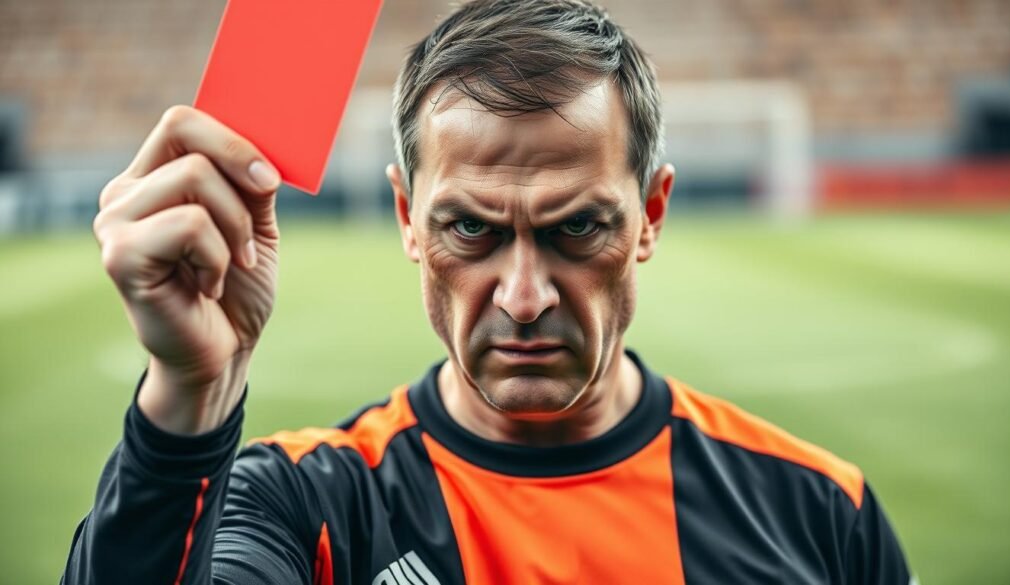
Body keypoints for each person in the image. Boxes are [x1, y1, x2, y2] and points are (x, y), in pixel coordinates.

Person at [62, 0, 913, 583]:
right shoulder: (305, 507)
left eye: (577, 227)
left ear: (650, 214)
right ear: (406, 216)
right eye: (470, 228)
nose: (523, 294)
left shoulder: (815, 508)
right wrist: (192, 390)